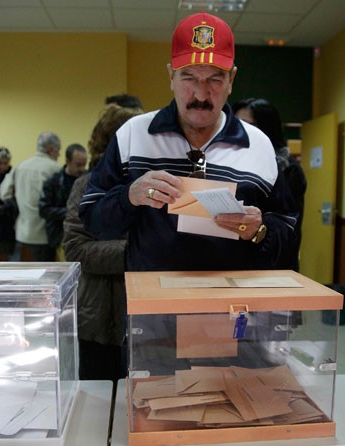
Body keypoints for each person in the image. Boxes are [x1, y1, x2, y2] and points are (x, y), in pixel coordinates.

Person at [80, 12, 298, 272]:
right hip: (153, 303)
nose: (201, 94)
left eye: (215, 79)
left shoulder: (259, 145)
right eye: (189, 77)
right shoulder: (133, 135)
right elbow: (93, 222)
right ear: (171, 76)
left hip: (231, 304)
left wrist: (258, 231)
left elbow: (289, 237)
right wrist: (130, 196)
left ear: (232, 80)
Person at [64, 104, 143, 381]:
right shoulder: (86, 187)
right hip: (96, 318)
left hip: (145, 317)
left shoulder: (156, 185)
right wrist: (138, 253)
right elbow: (76, 249)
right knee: (95, 406)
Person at [232, 98, 307, 271]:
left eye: (248, 125)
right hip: (237, 263)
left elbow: (290, 226)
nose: (240, 132)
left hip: (273, 263)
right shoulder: (234, 160)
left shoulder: (288, 168)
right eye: (236, 124)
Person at [0, 132, 61, 261]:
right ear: (51, 150)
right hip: (46, 233)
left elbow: (4, 193)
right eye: (58, 150)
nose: (59, 155)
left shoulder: (20, 166)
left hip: (23, 232)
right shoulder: (55, 169)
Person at [38, 143, 88, 261]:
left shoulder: (89, 179)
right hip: (60, 236)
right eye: (78, 165)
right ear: (67, 161)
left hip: (85, 236)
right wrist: (71, 212)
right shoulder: (52, 182)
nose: (82, 169)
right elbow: (44, 209)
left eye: (84, 164)